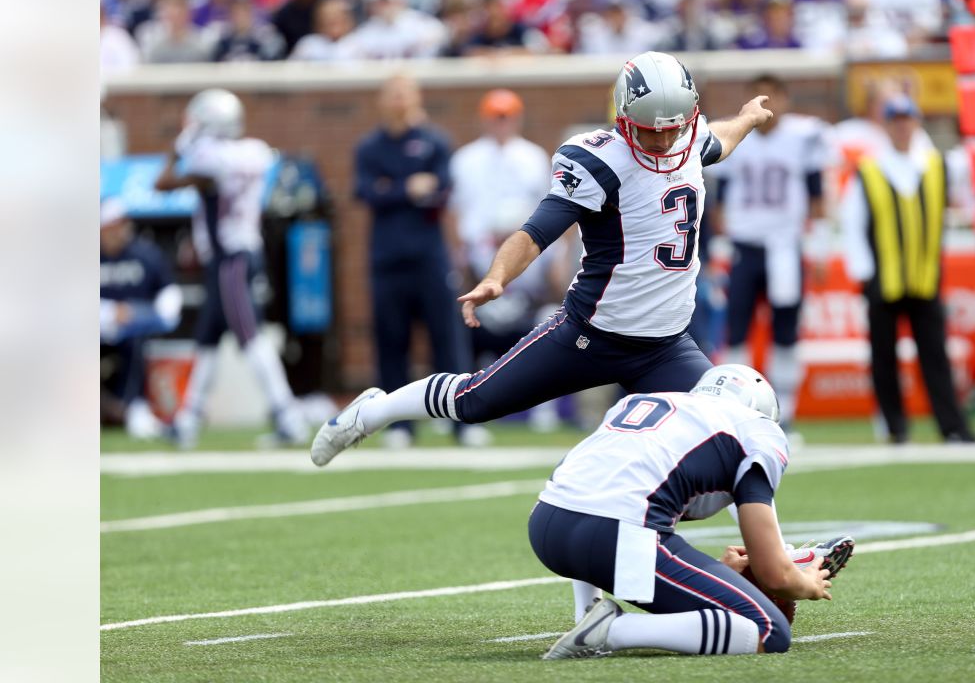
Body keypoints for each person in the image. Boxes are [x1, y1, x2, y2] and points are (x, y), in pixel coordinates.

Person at [312, 50, 775, 466]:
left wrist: (748, 118)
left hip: (665, 345)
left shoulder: (688, 138)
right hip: (591, 333)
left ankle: (768, 557)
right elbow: (536, 233)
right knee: (475, 401)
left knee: (728, 441)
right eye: (650, 131)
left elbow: (720, 138)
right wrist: (497, 277)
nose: (661, 141)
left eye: (672, 129)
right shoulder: (600, 162)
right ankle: (374, 411)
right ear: (624, 117)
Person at [530, 364, 848, 658]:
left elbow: (589, 485)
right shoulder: (759, 431)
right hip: (614, 535)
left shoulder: (644, 403)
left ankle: (587, 614)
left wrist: (715, 573)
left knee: (615, 508)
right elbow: (774, 576)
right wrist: (805, 582)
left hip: (545, 526)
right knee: (770, 631)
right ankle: (612, 630)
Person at [153, 88, 310, 448]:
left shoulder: (209, 155)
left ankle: (288, 417)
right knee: (207, 339)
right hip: (237, 254)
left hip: (230, 259)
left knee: (250, 336)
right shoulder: (253, 151)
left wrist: (179, 145)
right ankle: (188, 419)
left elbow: (162, 182)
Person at [352, 74, 483, 449]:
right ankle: (398, 425)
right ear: (382, 100)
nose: (398, 100)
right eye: (391, 94)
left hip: (430, 255)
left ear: (415, 98)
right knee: (392, 339)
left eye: (404, 94)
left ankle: (462, 420)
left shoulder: (434, 141)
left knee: (447, 337)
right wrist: (406, 188)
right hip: (386, 257)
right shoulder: (370, 146)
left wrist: (390, 189)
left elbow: (440, 189)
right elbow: (365, 191)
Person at [839, 95, 975, 444]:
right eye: (895, 120)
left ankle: (953, 427)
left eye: (907, 119)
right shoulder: (870, 169)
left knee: (935, 356)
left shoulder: (935, 164)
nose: (902, 126)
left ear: (916, 123)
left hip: (925, 276)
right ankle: (895, 427)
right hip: (883, 279)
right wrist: (864, 272)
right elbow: (852, 222)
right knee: (883, 356)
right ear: (886, 125)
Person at [707, 74, 831, 429]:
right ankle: (735, 409)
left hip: (785, 247)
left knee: (786, 330)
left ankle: (784, 411)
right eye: (760, 98)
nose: (768, 106)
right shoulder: (735, 135)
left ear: (786, 100)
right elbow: (721, 200)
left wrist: (819, 247)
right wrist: (721, 244)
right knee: (737, 327)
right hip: (744, 245)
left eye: (775, 96)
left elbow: (816, 196)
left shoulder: (803, 137)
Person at [449, 88, 563, 431]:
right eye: (495, 117)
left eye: (507, 116)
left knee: (545, 324)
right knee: (464, 327)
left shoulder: (533, 157)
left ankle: (545, 407)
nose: (501, 124)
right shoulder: (465, 159)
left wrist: (554, 260)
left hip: (525, 259)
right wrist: (459, 258)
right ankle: (463, 408)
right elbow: (454, 212)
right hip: (478, 257)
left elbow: (551, 208)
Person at [100, 198, 182, 440]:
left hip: (132, 330)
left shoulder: (144, 254)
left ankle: (132, 407)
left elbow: (168, 293)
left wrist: (146, 312)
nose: (121, 230)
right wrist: (108, 312)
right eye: (114, 225)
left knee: (135, 343)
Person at [342, 0, 448, 60]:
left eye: (387, 1)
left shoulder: (426, 26)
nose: (383, 7)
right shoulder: (363, 35)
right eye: (378, 2)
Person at [289, 0, 356, 62]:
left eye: (337, 15)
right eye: (328, 16)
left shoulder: (358, 44)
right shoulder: (308, 45)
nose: (333, 19)